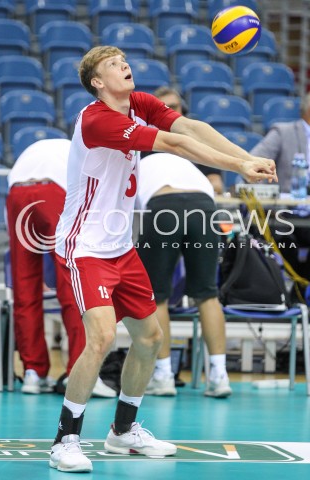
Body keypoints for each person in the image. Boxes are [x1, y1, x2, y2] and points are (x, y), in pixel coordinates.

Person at [49, 45, 277, 473]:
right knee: (99, 338)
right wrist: (239, 167)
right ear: (98, 82)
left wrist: (246, 158)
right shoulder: (98, 119)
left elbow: (189, 124)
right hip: (86, 247)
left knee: (150, 339)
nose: (124, 66)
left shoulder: (138, 102)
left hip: (120, 247)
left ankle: (122, 431)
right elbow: (173, 142)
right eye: (113, 65)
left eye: (124, 60)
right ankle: (65, 439)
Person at [6, 138, 116, 398]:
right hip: (55, 190)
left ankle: (33, 372)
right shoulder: (89, 152)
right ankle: (78, 372)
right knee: (72, 284)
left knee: (25, 286)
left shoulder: (54, 147)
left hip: (17, 193)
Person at [136, 152, 231, 398]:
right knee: (207, 294)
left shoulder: (135, 160)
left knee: (156, 297)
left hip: (163, 206)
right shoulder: (187, 161)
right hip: (205, 207)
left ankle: (163, 375)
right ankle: (220, 377)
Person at [250, 93, 310, 284]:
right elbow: (252, 164)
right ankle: (294, 290)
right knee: (281, 233)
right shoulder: (283, 132)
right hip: (285, 213)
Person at [153, 86, 224, 194]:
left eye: (173, 107)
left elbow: (216, 183)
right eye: (163, 109)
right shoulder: (148, 139)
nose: (169, 113)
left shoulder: (198, 138)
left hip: (195, 200)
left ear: (182, 108)